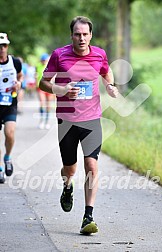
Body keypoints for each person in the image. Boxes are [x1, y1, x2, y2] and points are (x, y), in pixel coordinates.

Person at [39, 16, 118, 234]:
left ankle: (88, 216)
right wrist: (62, 90)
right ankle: (67, 186)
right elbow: (43, 83)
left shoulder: (99, 54)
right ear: (71, 35)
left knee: (91, 166)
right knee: (70, 169)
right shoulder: (59, 55)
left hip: (92, 119)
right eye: (77, 34)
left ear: (90, 35)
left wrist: (110, 85)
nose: (81, 38)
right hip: (66, 120)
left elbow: (105, 71)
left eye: (85, 34)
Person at [0, 33, 23, 183]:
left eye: (4, 45)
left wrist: (19, 84)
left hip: (10, 102)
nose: (1, 48)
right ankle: (0, 168)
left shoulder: (15, 62)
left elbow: (20, 76)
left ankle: (7, 157)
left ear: (8, 46)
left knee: (10, 133)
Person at [36, 53, 54, 129]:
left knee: (48, 105)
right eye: (42, 60)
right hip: (40, 87)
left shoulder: (51, 66)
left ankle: (46, 122)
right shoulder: (38, 66)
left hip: (50, 87)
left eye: (45, 60)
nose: (44, 62)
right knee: (42, 103)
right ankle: (41, 121)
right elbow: (36, 76)